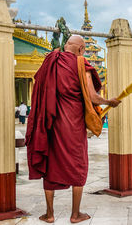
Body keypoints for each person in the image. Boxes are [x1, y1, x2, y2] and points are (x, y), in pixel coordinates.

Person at [25, 35, 121, 224]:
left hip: (51, 124)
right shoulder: (81, 64)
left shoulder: (52, 61)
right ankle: (75, 214)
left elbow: (40, 90)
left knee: (50, 165)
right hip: (73, 126)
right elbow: (92, 96)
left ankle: (49, 214)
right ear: (81, 49)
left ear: (66, 46)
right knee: (78, 166)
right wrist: (109, 102)